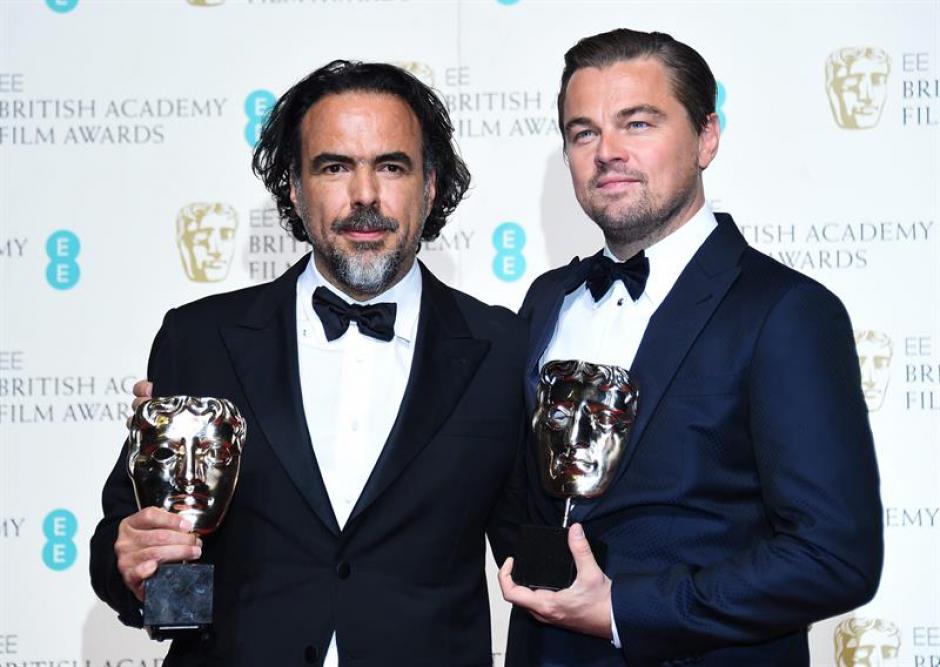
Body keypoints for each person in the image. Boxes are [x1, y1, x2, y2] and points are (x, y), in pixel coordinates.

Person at [90, 60, 526, 667]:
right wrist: (131, 563)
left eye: (392, 166)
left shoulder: (503, 347)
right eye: (334, 166)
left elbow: (534, 554)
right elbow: (129, 539)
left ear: (429, 186)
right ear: (294, 188)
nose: (365, 195)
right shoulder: (201, 337)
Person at [500, 28, 883, 666]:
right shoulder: (547, 301)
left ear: (706, 137)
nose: (607, 152)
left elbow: (833, 557)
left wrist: (625, 611)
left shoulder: (785, 311)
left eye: (639, 123)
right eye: (583, 132)